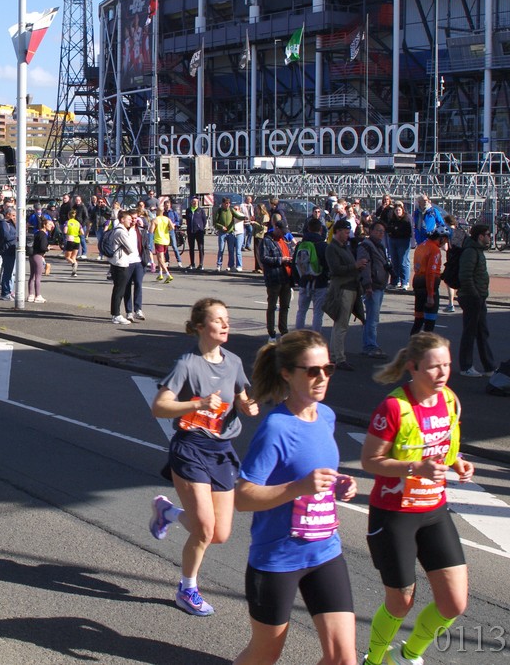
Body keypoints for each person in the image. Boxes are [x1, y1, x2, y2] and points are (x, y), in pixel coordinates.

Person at [231, 330, 358, 665]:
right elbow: (242, 497)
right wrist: (299, 487)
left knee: (343, 659)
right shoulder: (276, 428)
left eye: (328, 369)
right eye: (312, 371)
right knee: (265, 654)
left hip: (325, 551)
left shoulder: (326, 416)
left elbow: (313, 472)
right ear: (287, 373)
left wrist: (339, 484)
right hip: (277, 559)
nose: (322, 377)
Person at [361, 333, 475, 665]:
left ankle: (406, 656)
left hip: (434, 511)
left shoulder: (449, 399)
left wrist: (457, 462)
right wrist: (414, 468)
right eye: (434, 367)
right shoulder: (393, 407)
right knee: (400, 603)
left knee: (454, 603)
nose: (442, 374)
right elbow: (369, 461)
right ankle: (373, 660)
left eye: (447, 366)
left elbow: (441, 445)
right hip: (394, 515)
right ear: (412, 367)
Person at [147, 299, 258, 617]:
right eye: (218, 319)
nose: (225, 324)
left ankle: (168, 513)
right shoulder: (187, 364)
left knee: (219, 534)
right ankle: (187, 589)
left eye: (227, 318)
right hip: (190, 448)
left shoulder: (233, 362)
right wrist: (197, 404)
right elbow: (159, 407)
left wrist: (247, 406)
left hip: (222, 451)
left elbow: (242, 397)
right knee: (205, 530)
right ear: (199, 326)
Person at [323, 219, 365, 371]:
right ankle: (339, 358)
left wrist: (357, 267)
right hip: (342, 288)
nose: (348, 235)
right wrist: (355, 265)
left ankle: (335, 355)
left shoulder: (344, 247)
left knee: (340, 325)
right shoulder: (332, 248)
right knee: (341, 325)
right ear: (338, 231)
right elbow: (335, 269)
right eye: (346, 232)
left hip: (350, 287)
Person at [456, 224, 496, 377]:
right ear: (480, 236)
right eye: (488, 234)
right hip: (471, 297)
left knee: (482, 332)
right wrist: (475, 295)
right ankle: (466, 366)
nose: (489, 237)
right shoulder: (471, 252)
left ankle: (489, 366)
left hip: (478, 297)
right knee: (470, 332)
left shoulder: (477, 251)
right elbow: (465, 276)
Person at [358, 221, 392, 359]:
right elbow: (365, 266)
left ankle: (370, 343)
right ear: (371, 231)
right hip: (373, 286)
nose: (380, 233)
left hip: (380, 284)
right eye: (378, 230)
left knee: (373, 317)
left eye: (382, 231)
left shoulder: (380, 245)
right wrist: (367, 285)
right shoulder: (366, 245)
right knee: (372, 318)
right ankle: (370, 345)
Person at [259, 220, 295, 343]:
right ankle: (271, 333)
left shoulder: (284, 240)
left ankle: (284, 331)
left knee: (285, 306)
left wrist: (291, 258)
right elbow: (264, 258)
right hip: (274, 278)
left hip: (286, 278)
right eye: (282, 231)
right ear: (276, 228)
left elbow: (289, 252)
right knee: (272, 306)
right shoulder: (267, 241)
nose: (284, 234)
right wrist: (281, 259)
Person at [294, 218, 329, 333]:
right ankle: (315, 337)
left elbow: (295, 263)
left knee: (301, 311)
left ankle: (299, 336)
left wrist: (298, 279)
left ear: (308, 229)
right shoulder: (323, 245)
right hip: (320, 282)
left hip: (304, 281)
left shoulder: (301, 244)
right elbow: (327, 265)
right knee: (318, 312)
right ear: (320, 229)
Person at [108, 210, 143, 324]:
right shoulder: (121, 232)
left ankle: (115, 314)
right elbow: (131, 248)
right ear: (122, 220)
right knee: (119, 290)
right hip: (120, 263)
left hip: (118, 262)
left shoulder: (117, 230)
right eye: (128, 219)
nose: (130, 221)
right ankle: (116, 315)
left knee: (118, 289)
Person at [410, 231, 447, 335]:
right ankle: (426, 343)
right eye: (445, 240)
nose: (445, 243)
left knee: (418, 320)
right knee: (429, 322)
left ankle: (413, 343)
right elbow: (431, 272)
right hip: (429, 284)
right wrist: (430, 295)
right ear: (441, 238)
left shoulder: (421, 246)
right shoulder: (435, 250)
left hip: (418, 281)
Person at [385, 202, 413, 290]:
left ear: (402, 210)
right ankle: (394, 282)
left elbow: (408, 231)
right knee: (394, 262)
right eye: (396, 210)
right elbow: (388, 229)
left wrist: (396, 230)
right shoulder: (392, 219)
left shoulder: (407, 218)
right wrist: (394, 230)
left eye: (399, 210)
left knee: (403, 262)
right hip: (393, 240)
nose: (398, 212)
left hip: (403, 241)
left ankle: (405, 282)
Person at [27, 215, 52, 302]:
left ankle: (30, 295)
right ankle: (38, 295)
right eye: (49, 224)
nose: (51, 226)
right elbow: (42, 247)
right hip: (38, 256)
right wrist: (47, 248)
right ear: (44, 225)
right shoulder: (43, 235)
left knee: (32, 276)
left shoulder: (37, 233)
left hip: (32, 255)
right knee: (38, 276)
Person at [151, 205, 175, 283]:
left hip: (159, 240)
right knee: (161, 257)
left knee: (160, 258)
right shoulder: (167, 219)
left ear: (157, 211)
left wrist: (154, 229)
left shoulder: (155, 220)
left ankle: (168, 274)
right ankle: (160, 273)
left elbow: (151, 230)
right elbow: (172, 227)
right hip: (166, 240)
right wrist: (167, 229)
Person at [185, 196, 207, 270]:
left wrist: (201, 227)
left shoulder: (201, 210)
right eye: (193, 201)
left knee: (200, 248)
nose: (194, 203)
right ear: (191, 202)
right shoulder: (188, 210)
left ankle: (201, 264)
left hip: (199, 231)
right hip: (191, 231)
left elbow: (204, 220)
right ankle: (192, 263)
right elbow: (187, 220)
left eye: (196, 201)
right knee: (191, 248)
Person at [63, 207, 84, 277]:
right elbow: (82, 232)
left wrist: (68, 232)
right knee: (74, 256)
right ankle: (74, 272)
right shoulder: (78, 223)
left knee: (67, 257)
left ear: (68, 216)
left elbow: (65, 231)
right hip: (77, 239)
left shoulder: (67, 222)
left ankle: (73, 264)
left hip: (70, 239)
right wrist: (77, 233)